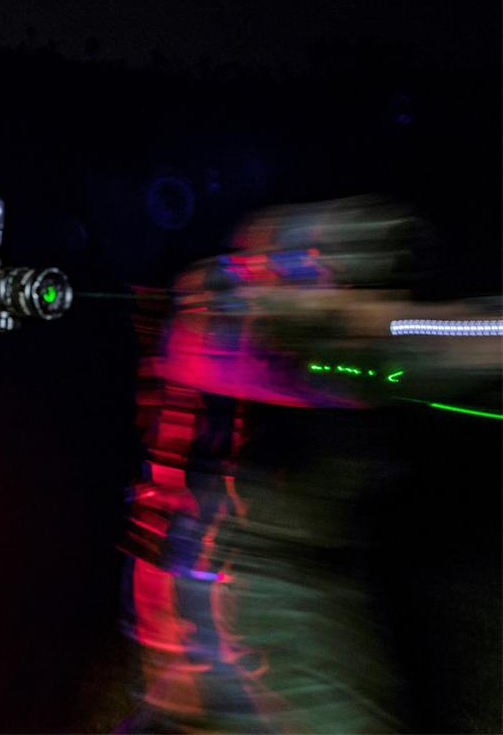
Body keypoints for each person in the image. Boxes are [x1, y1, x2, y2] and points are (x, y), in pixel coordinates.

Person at [117, 195, 501, 733]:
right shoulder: (254, 323)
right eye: (362, 278)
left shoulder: (238, 313)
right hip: (239, 597)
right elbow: (398, 345)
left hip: (259, 585)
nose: (382, 295)